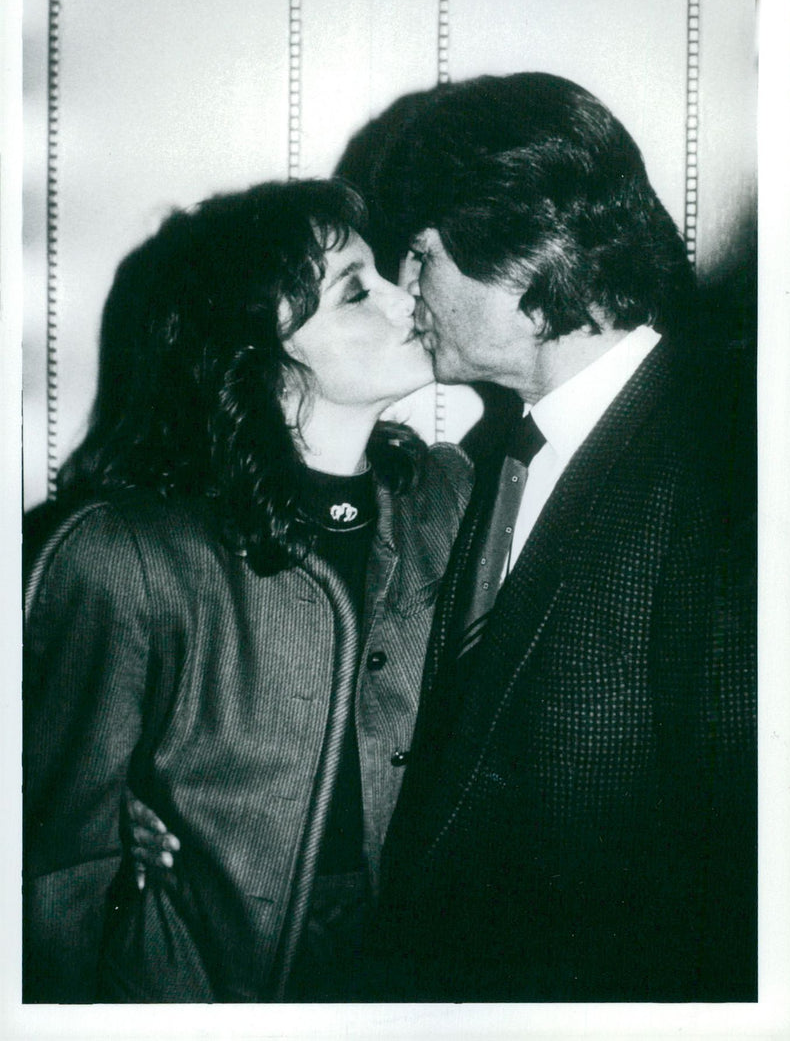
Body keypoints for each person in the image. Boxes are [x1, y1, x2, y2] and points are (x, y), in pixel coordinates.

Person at [22, 178, 472, 1002]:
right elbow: (53, 869)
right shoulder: (123, 555)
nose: (402, 296)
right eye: (353, 290)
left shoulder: (449, 498)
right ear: (262, 352)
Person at [360, 71, 757, 1002]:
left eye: (421, 255)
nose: (405, 286)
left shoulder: (727, 459)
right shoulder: (512, 451)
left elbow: (745, 862)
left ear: (527, 250)